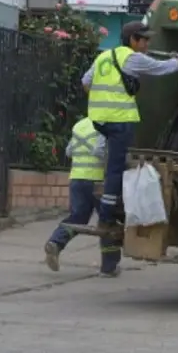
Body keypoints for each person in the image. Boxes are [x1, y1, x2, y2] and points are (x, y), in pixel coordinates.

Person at [82, 20, 178, 277]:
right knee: (116, 169)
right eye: (144, 39)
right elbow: (162, 68)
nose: (147, 44)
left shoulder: (105, 56)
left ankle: (110, 212)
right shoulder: (132, 59)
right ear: (133, 40)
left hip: (100, 119)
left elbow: (86, 81)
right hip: (119, 120)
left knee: (112, 165)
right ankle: (108, 213)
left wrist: (103, 100)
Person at [43, 115, 106, 273]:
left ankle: (55, 242)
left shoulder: (79, 125)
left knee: (77, 218)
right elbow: (99, 151)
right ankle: (109, 265)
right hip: (97, 181)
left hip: (77, 178)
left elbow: (69, 151)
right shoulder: (104, 125)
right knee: (107, 222)